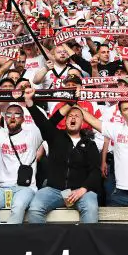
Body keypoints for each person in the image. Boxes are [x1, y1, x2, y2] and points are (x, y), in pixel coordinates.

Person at [23, 85, 103, 222]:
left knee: (91, 208)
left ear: (82, 122)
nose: (73, 118)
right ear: (65, 121)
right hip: (54, 190)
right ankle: (44, 243)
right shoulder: (55, 136)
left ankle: (86, 243)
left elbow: (95, 171)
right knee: (35, 208)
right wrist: (30, 103)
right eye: (70, 116)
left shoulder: (90, 144)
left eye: (77, 116)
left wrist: (83, 189)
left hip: (81, 191)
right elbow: (43, 122)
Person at [0, 103, 44, 223]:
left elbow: (46, 124)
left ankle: (11, 239)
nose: (13, 117)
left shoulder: (32, 135)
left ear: (23, 118)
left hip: (25, 188)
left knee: (18, 207)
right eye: (9, 114)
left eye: (17, 114)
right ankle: (0, 238)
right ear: (5, 118)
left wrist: (31, 104)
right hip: (2, 187)